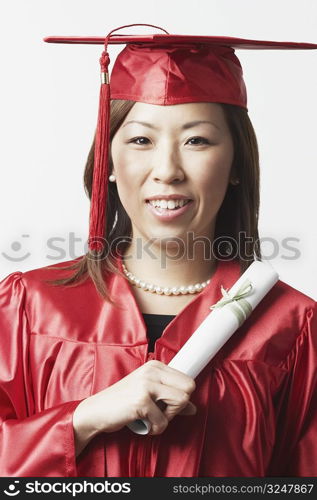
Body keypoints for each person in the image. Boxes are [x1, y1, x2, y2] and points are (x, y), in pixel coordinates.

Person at [0, 24, 316, 478]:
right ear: (107, 162)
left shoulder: (295, 327)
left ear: (235, 167)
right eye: (141, 140)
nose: (166, 170)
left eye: (197, 141)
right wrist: (80, 421)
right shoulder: (28, 308)